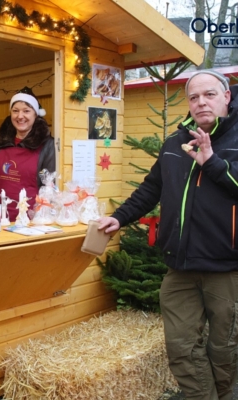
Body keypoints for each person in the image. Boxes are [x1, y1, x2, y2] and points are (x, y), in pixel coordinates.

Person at [98, 69, 238, 400]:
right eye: (194, 97)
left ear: (226, 96)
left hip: (227, 268)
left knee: (225, 352)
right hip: (180, 266)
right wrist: (120, 217)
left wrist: (212, 162)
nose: (201, 102)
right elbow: (151, 189)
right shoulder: (175, 143)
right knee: (181, 349)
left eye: (209, 95)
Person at [0, 86, 55, 222]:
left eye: (26, 111)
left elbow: (48, 188)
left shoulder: (47, 145)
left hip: (28, 222)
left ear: (35, 114)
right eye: (15, 111)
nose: (20, 116)